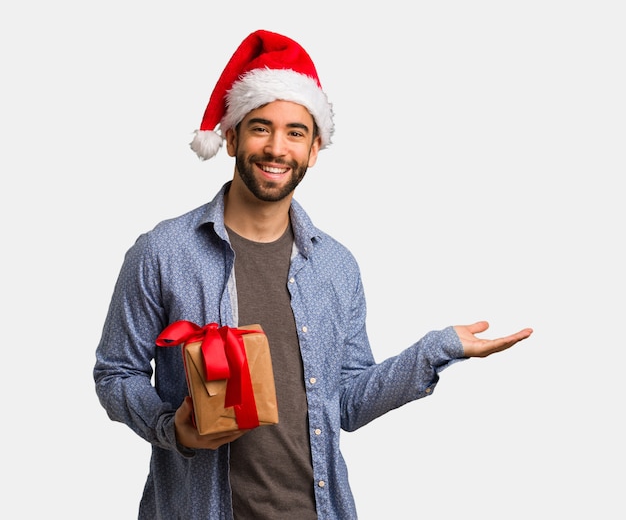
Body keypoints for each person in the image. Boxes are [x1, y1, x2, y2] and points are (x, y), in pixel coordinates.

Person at [93, 29, 533, 520]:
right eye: (260, 128)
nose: (276, 148)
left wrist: (437, 348)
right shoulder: (163, 252)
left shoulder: (335, 267)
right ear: (233, 137)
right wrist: (172, 428)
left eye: (295, 132)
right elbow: (115, 374)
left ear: (315, 147)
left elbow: (345, 403)